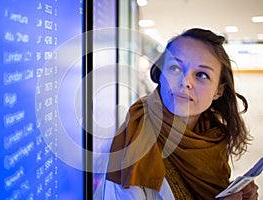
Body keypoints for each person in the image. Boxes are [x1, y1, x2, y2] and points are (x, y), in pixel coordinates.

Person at [104, 28, 259, 199]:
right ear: (161, 74)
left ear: (218, 90)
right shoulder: (133, 139)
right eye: (175, 68)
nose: (185, 82)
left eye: (201, 74)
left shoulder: (212, 138)